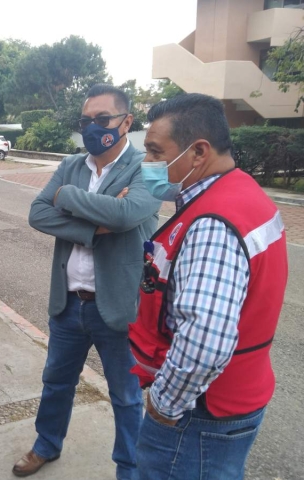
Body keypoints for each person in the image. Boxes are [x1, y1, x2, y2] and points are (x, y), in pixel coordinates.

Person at [130, 93, 288, 479]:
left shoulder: (213, 223)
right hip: (234, 401)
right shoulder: (242, 192)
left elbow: (205, 343)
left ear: (198, 152)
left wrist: (164, 405)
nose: (146, 164)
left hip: (199, 416)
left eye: (154, 152)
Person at [15, 84, 161, 479]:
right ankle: (46, 445)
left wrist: (66, 197)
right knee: (56, 382)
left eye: (102, 120)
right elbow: (37, 215)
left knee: (126, 397)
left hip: (118, 306)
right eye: (86, 121)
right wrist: (95, 226)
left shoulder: (150, 169)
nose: (92, 128)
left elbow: (129, 215)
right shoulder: (71, 165)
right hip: (69, 303)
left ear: (127, 122)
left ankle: (130, 469)